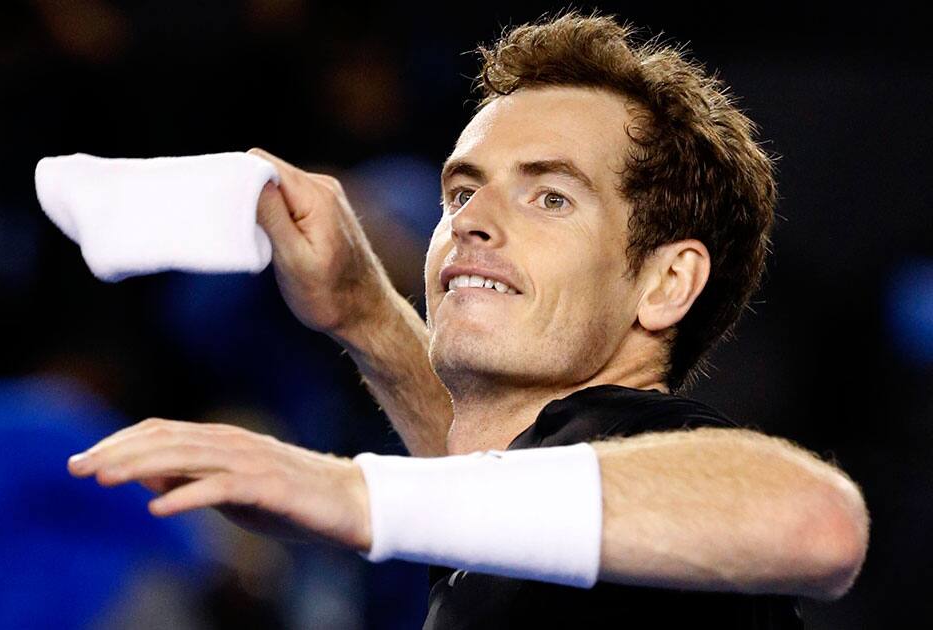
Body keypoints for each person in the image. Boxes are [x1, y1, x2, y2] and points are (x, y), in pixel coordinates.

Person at [67, 11, 869, 628]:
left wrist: (351, 492)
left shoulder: (638, 454)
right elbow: (490, 471)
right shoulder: (528, 504)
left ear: (664, 283)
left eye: (550, 196)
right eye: (461, 191)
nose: (473, 219)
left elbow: (816, 518)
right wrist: (364, 312)